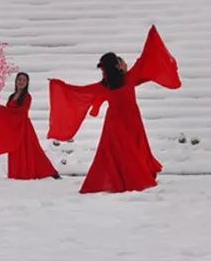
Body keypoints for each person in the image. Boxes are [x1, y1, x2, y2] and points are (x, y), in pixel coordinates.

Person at [48, 26, 181, 193]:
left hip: (116, 123)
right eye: (121, 61)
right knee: (132, 149)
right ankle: (134, 178)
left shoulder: (107, 86)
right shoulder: (128, 78)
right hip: (130, 120)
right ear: (117, 66)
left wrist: (60, 86)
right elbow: (145, 58)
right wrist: (151, 37)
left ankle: (124, 178)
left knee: (119, 152)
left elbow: (80, 91)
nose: (124, 63)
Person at [0, 72, 60, 180]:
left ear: (27, 83)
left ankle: (50, 172)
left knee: (34, 151)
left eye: (24, 80)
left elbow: (21, 111)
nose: (21, 82)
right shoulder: (11, 96)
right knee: (15, 151)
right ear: (16, 81)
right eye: (19, 79)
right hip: (14, 128)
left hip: (24, 127)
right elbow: (8, 112)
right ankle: (17, 173)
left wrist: (3, 110)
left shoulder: (27, 97)